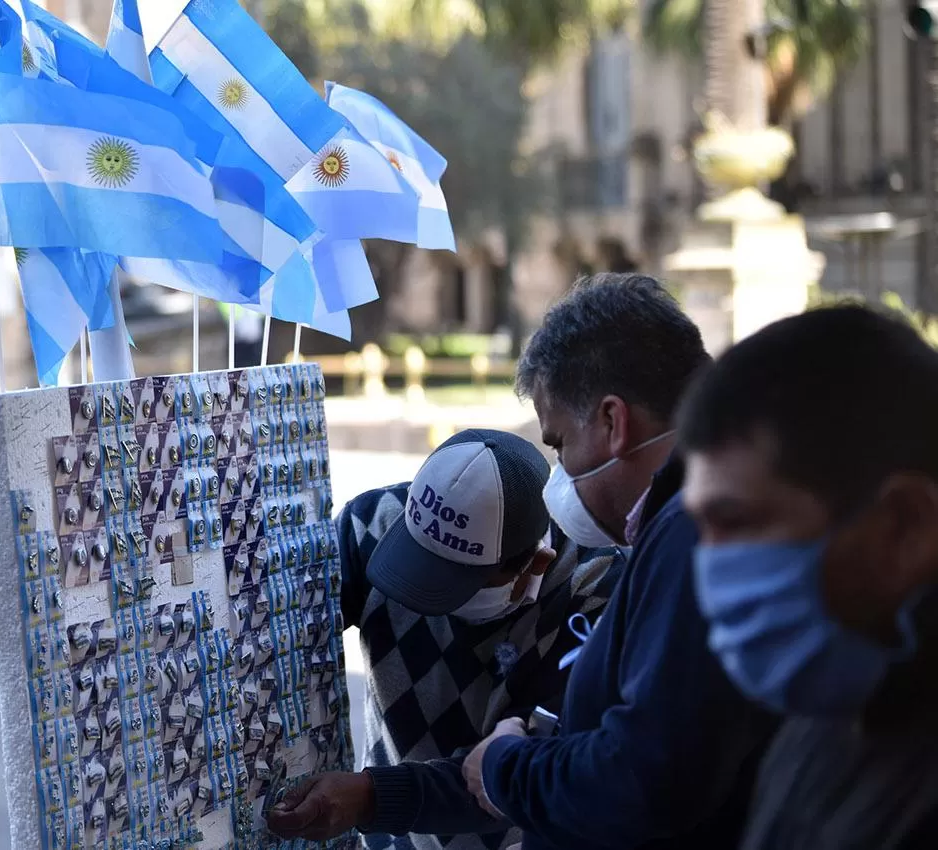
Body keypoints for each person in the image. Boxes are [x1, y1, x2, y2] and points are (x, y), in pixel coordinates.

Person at [448, 273, 780, 849]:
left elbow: (650, 775)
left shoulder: (694, 533)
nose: (560, 472)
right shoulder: (694, 519)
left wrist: (508, 769)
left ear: (612, 422)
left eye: (558, 444)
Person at [267, 429, 624, 849]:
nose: (421, 596)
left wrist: (370, 796)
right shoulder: (375, 522)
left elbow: (519, 775)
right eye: (417, 565)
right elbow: (286, 633)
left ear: (535, 563)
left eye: (453, 584)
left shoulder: (593, 594)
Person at [678, 304, 938, 849]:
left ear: (904, 524)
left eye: (736, 522)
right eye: (701, 526)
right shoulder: (821, 718)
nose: (710, 567)